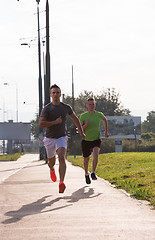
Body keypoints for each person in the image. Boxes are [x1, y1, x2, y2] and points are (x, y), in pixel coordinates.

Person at [39, 84, 85, 193]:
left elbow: (75, 118)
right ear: (51, 95)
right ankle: (51, 169)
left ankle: (62, 182)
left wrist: (81, 132)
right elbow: (41, 124)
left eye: (57, 92)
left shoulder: (66, 107)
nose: (55, 94)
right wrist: (55, 122)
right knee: (51, 161)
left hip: (61, 137)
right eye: (53, 93)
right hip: (49, 138)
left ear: (60, 94)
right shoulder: (47, 108)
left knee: (61, 157)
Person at [80, 97, 109, 184]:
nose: (92, 106)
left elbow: (105, 120)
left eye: (93, 104)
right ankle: (86, 174)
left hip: (96, 139)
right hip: (86, 140)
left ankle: (93, 172)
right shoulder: (83, 116)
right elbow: (80, 129)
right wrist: (86, 125)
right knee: (86, 159)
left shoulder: (98, 114)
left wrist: (106, 131)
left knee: (96, 154)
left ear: (94, 105)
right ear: (87, 105)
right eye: (90, 104)